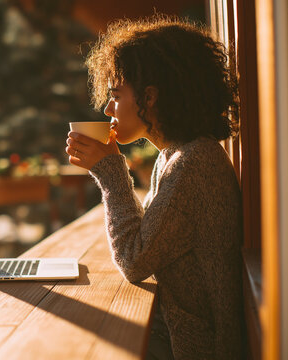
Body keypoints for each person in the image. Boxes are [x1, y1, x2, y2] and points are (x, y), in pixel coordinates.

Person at [65, 16, 245, 359]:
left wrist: (110, 173)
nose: (107, 109)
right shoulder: (175, 156)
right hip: (175, 333)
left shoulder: (194, 164)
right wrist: (110, 170)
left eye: (115, 95)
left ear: (149, 98)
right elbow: (149, 238)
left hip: (195, 347)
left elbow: (133, 260)